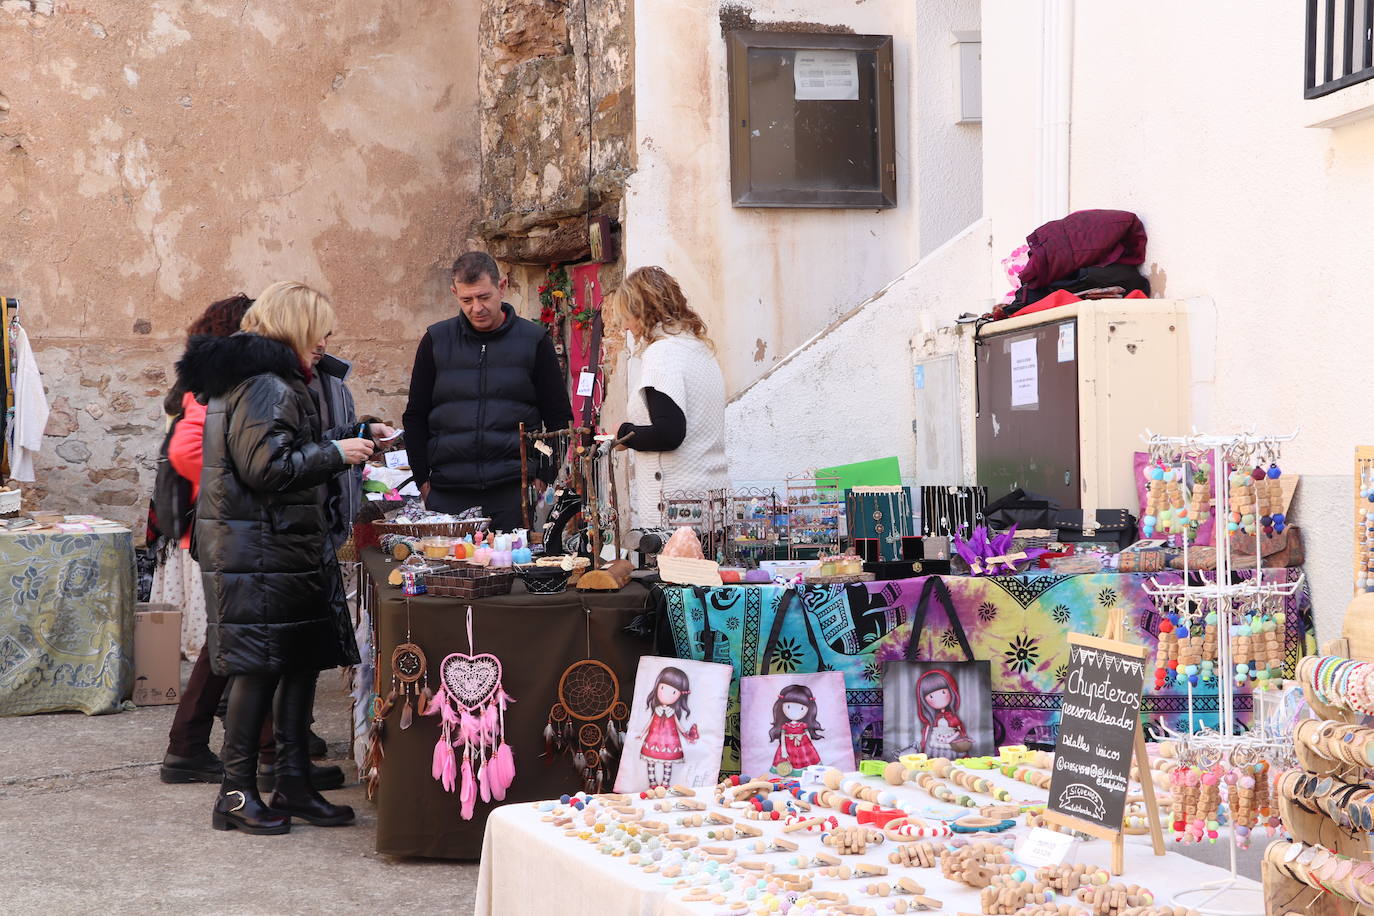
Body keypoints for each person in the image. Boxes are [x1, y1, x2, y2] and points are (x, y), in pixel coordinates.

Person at [158, 300, 392, 791]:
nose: (323, 343)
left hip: (269, 543)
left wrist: (352, 434)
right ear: (296, 327)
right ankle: (241, 795)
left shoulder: (263, 377)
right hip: (259, 545)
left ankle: (289, 783)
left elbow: (278, 447)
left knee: (284, 664)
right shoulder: (265, 383)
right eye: (317, 332)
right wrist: (335, 453)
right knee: (257, 671)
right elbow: (267, 467)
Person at [402, 251, 573, 530]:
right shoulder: (436, 341)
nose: (476, 308)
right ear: (454, 292)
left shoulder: (533, 341)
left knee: (515, 572)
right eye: (466, 300)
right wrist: (422, 480)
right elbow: (415, 416)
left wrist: (544, 473)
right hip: (447, 492)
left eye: (484, 297)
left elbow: (558, 417)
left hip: (513, 492)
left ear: (502, 287)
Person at [605, 266, 727, 530]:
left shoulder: (662, 355)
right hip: (713, 508)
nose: (626, 326)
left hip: (677, 514)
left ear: (645, 311)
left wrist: (623, 434)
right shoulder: (698, 349)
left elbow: (669, 433)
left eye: (629, 316)